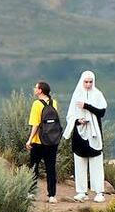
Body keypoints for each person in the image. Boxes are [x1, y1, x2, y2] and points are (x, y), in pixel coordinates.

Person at [66, 71, 108, 202]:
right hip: (80, 133)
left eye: (90, 82)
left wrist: (87, 106)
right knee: (79, 162)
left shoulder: (97, 94)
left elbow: (101, 112)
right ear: (82, 81)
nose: (88, 84)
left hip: (94, 134)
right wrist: (78, 121)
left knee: (96, 163)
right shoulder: (76, 95)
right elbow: (70, 115)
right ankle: (81, 191)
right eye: (86, 82)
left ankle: (99, 192)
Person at [25, 80, 62, 203]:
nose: (34, 89)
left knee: (34, 167)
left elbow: (35, 125)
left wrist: (29, 140)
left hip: (38, 141)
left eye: (36, 87)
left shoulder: (36, 104)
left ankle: (31, 192)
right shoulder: (53, 103)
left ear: (40, 90)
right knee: (51, 167)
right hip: (52, 140)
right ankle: (52, 195)